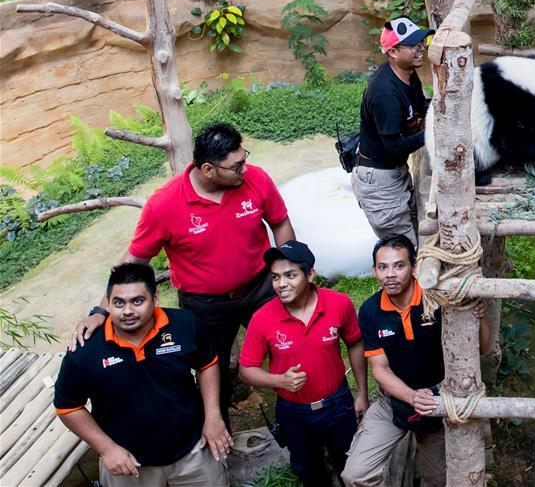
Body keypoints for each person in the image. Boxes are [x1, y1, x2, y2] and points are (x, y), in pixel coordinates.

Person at [71, 122, 296, 427]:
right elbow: (135, 259)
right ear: (208, 169)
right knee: (212, 368)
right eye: (236, 166)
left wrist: (290, 271)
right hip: (205, 305)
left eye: (244, 159)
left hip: (260, 288)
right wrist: (101, 310)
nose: (245, 169)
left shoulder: (255, 179)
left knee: (288, 345)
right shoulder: (164, 204)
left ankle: (301, 417)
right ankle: (217, 432)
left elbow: (280, 222)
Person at [54, 263, 231, 487]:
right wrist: (106, 448)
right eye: (119, 303)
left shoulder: (184, 324)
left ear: (155, 299)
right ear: (108, 303)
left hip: (194, 450)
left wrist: (213, 417)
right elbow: (67, 407)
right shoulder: (84, 350)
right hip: (127, 463)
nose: (127, 311)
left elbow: (207, 364)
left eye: (137, 301)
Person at [341, 234, 490, 487]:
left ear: (413, 268)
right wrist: (412, 397)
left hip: (440, 400)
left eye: (398, 265)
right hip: (393, 402)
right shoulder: (370, 311)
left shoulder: (438, 299)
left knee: (437, 479)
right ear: (374, 271)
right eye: (382, 267)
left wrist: (479, 318)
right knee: (355, 475)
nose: (390, 274)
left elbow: (483, 348)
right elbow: (380, 369)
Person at [238, 240, 369, 486]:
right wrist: (280, 380)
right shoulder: (262, 318)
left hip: (338, 404)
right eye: (275, 277)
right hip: (293, 412)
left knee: (350, 466)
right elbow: (247, 370)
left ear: (310, 275)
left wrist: (362, 393)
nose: (281, 284)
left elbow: (354, 343)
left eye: (290, 275)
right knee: (309, 473)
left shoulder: (339, 304)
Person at [352, 16, 434, 247]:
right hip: (379, 181)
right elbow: (394, 148)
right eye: (413, 45)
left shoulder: (408, 74)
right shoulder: (385, 94)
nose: (420, 49)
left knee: (417, 234)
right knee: (407, 250)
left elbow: (421, 107)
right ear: (393, 52)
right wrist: (432, 133)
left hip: (395, 172)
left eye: (421, 42)